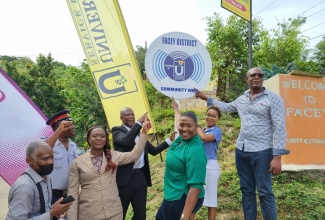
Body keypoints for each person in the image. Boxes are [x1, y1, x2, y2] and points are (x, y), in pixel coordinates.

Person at [195, 67, 290, 220]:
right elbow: (226, 107)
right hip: (242, 150)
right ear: (247, 79)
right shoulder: (242, 99)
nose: (256, 77)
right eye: (253, 75)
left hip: (263, 151)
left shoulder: (273, 99)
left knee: (265, 191)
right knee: (246, 190)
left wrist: (278, 155)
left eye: (260, 75)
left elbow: (280, 127)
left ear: (263, 78)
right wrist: (206, 98)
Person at [66, 117, 151, 220]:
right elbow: (72, 193)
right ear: (89, 139)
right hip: (89, 214)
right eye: (94, 136)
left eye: (102, 136)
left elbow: (134, 155)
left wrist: (144, 133)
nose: (98, 138)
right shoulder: (77, 162)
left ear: (106, 139)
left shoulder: (114, 156)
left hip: (114, 213)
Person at [112, 108, 176, 220]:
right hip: (124, 179)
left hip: (140, 177)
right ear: (121, 117)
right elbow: (126, 141)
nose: (131, 116)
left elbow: (154, 151)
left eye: (132, 114)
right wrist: (138, 124)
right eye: (127, 115)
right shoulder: (117, 131)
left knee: (141, 215)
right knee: (120, 213)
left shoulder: (141, 134)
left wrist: (169, 140)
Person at [172, 98, 222, 220]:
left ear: (218, 119)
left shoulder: (216, 131)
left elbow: (204, 138)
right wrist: (176, 109)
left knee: (211, 199)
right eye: (208, 115)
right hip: (198, 165)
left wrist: (195, 126)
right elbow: (182, 125)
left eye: (214, 116)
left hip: (210, 166)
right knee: (194, 195)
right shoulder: (201, 130)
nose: (210, 118)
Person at [156, 109, 207, 220]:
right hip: (172, 193)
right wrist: (175, 107)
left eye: (189, 126)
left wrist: (185, 216)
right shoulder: (181, 140)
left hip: (181, 197)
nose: (184, 129)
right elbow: (179, 119)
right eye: (181, 125)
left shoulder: (194, 151)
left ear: (196, 127)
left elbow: (196, 187)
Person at [6, 140, 73, 220]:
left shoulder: (47, 177)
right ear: (29, 161)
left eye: (52, 158)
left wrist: (56, 211)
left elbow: (43, 209)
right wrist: (51, 213)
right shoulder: (25, 187)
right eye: (45, 159)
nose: (51, 162)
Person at [44, 109, 79, 206]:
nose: (73, 127)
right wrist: (59, 131)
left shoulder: (73, 145)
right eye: (69, 125)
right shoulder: (48, 143)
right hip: (51, 195)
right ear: (59, 127)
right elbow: (41, 150)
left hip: (68, 194)